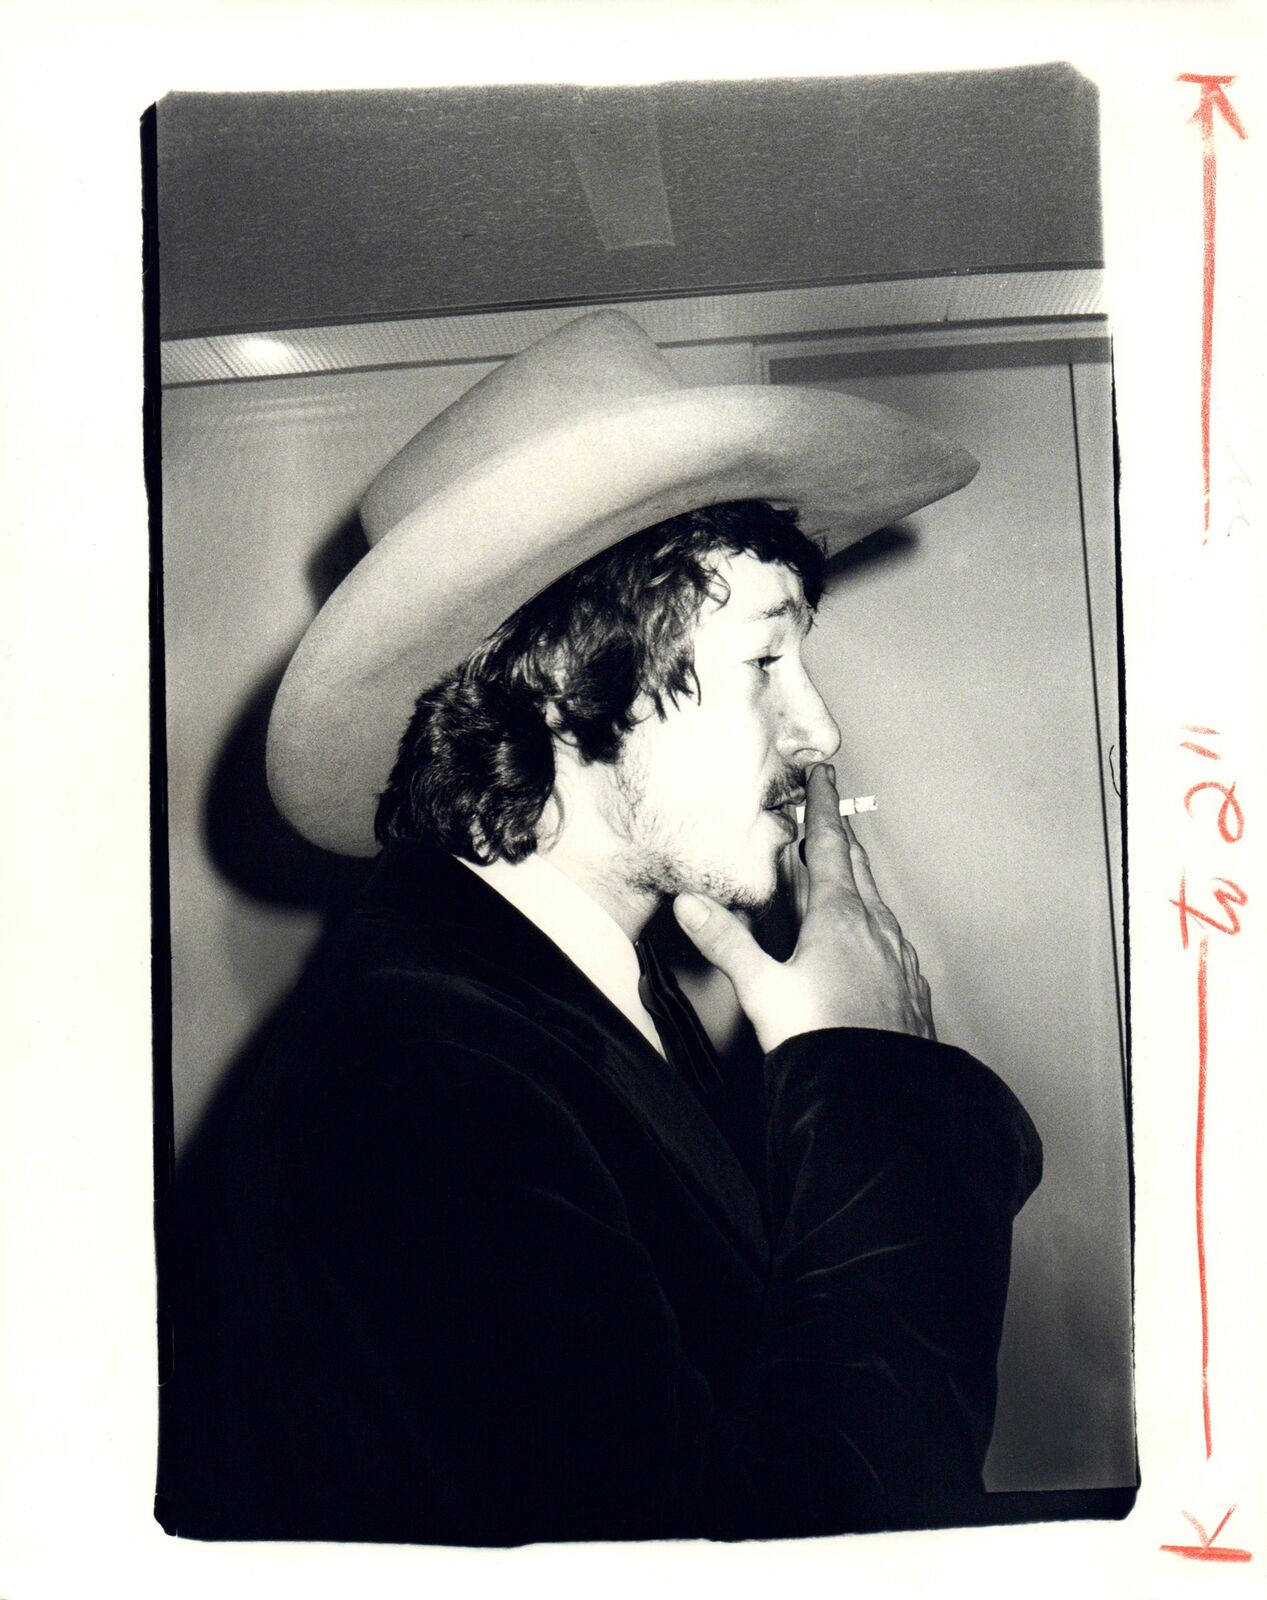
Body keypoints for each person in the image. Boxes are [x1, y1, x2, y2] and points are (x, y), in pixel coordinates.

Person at [156, 312, 1042, 1546]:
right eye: (764, 659)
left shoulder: (575, 985)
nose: (818, 730)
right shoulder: (415, 1088)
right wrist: (874, 1084)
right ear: (569, 695)